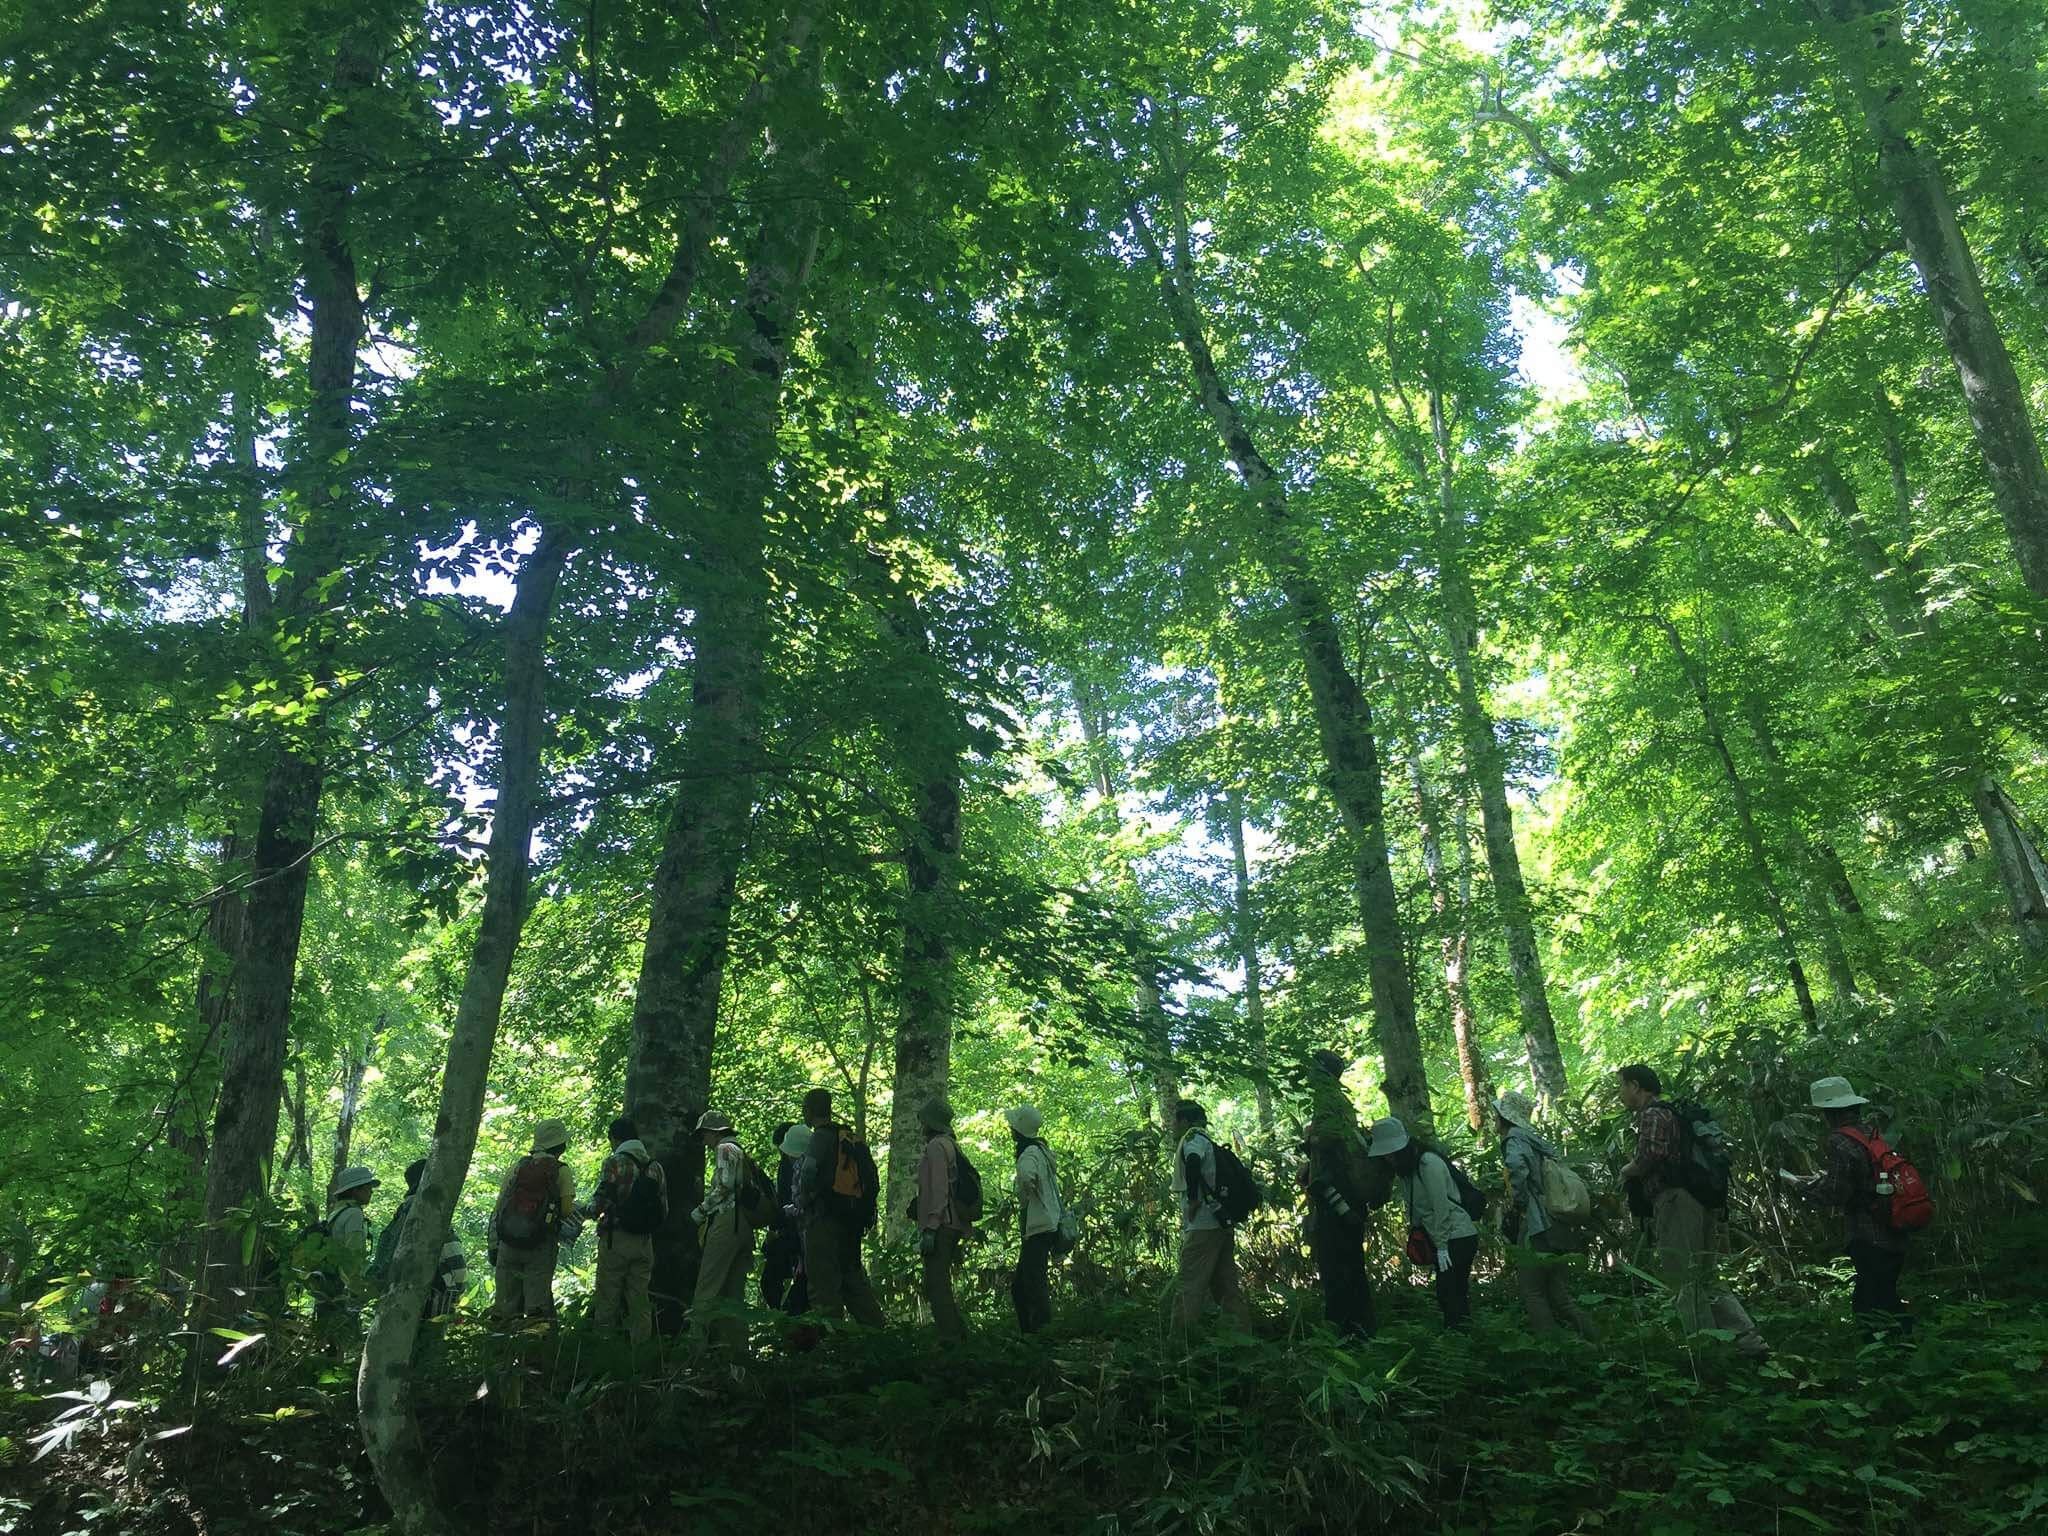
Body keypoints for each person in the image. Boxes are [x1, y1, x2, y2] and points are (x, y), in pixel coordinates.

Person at [1617, 1064, 1768, 1359]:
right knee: (1706, 1277)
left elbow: (1651, 1155)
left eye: (1622, 1086)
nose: (1620, 1094)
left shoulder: (1652, 1114)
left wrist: (1627, 1170)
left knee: (1684, 1278)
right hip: (1701, 1200)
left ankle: (1705, 1352)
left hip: (1676, 1202)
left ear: (1636, 1086)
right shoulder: (1674, 1113)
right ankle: (1747, 1341)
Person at [1788, 1075, 1914, 1337]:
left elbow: (1837, 1192)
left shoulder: (1839, 1141)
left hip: (1869, 1232)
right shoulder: (1872, 1133)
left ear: (1828, 1112)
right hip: (1893, 1223)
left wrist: (1804, 1187)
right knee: (1884, 1292)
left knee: (1871, 1302)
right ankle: (1902, 1351)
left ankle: (1889, 1355)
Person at [1495, 1092, 1596, 1341]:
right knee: (1559, 1294)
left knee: (1532, 1292)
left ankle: (1552, 1349)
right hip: (1557, 1221)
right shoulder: (1535, 1140)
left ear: (1503, 1118)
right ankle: (1596, 1340)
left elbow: (1517, 1168)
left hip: (1537, 1223)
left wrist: (1518, 1202)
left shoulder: (1515, 1139)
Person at [1368, 1118, 1479, 1328]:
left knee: (1451, 1294)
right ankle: (1460, 1340)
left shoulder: (1428, 1163)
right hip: (1443, 1238)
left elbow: (1441, 1207)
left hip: (1457, 1236)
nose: (1387, 1158)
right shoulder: (1408, 1170)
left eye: (1389, 1153)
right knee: (1448, 1294)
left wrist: (1444, 1246)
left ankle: (1460, 1344)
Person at [1303, 1050, 1378, 1340]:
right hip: (1344, 1197)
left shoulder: (1328, 1101)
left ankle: (1345, 1334)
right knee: (1349, 1264)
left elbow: (1332, 1141)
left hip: (1337, 1198)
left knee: (1338, 1267)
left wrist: (1312, 1141)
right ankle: (1360, 1329)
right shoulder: (1340, 1101)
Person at [797, 1089, 886, 1327]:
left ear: (808, 1111)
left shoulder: (820, 1137)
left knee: (823, 1286)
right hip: (851, 1222)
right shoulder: (848, 1137)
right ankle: (879, 1333)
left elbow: (808, 1171)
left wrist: (803, 1202)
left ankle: (833, 1346)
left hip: (824, 1220)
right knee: (853, 1281)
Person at [1171, 1100, 1249, 1331]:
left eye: (1175, 1122)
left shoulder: (1193, 1141)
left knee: (1190, 1282)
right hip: (1221, 1223)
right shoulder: (1208, 1142)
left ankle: (1181, 1341)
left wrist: (1193, 1200)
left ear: (1184, 1121)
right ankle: (1241, 1335)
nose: (1173, 1127)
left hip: (1203, 1226)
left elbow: (1193, 1162)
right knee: (1226, 1285)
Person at [490, 1117, 577, 1322]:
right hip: (540, 1245)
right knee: (536, 1309)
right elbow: (566, 1210)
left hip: (509, 1242)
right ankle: (534, 1351)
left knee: (504, 1306)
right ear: (561, 1145)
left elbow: (499, 1207)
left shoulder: (518, 1167)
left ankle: (497, 1350)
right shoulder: (561, 1170)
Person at [688, 1111, 756, 1357]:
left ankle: (695, 1349)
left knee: (707, 1286)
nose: (704, 1141)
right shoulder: (741, 1151)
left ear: (714, 1132)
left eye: (704, 1134)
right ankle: (737, 1352)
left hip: (727, 1222)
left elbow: (724, 1186)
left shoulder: (725, 1149)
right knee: (733, 1292)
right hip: (744, 1225)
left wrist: (701, 1211)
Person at [370, 1158, 468, 1319]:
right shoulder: (431, 1210)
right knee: (429, 1340)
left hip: (399, 1294)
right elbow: (454, 1259)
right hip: (432, 1296)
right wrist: (457, 1288)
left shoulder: (403, 1212)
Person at [592, 1138, 665, 1347]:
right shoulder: (655, 1167)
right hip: (644, 1242)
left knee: (608, 1299)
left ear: (615, 1138)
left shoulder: (614, 1163)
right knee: (640, 1302)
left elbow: (601, 1202)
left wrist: (587, 1212)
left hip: (616, 1238)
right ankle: (640, 1356)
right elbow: (663, 1207)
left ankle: (603, 1353)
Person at [913, 1099, 973, 1340]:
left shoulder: (937, 1147)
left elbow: (939, 1190)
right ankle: (960, 1337)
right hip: (954, 1223)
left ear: (929, 1123)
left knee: (936, 1286)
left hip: (943, 1225)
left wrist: (931, 1226)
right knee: (940, 1284)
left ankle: (952, 1342)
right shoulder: (952, 1145)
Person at [1005, 1104, 1062, 1335]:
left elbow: (1027, 1177)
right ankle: (1031, 1333)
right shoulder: (1041, 1151)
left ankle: (1041, 1335)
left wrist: (1027, 1197)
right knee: (1022, 1284)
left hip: (1038, 1226)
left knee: (1032, 1283)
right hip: (1048, 1223)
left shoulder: (1029, 1153)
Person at [315, 1166, 379, 1336]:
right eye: (367, 1188)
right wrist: (358, 1289)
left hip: (327, 1284)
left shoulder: (336, 1213)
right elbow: (353, 1255)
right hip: (343, 1289)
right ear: (355, 1191)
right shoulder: (353, 1214)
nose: (370, 1192)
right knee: (344, 1337)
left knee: (327, 1337)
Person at [759, 1121, 809, 1314]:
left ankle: (788, 1322)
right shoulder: (806, 1163)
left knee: (774, 1281)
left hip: (794, 1234)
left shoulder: (793, 1166)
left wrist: (776, 1228)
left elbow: (787, 1201)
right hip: (797, 1234)